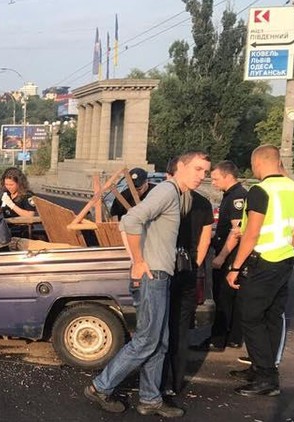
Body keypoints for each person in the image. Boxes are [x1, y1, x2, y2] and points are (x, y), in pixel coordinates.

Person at [84, 151, 209, 418]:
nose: (203, 176)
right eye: (198, 169)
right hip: (152, 277)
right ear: (181, 167)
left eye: (206, 171)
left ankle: (151, 399)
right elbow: (130, 220)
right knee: (146, 341)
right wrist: (138, 262)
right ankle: (100, 386)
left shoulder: (179, 195)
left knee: (159, 342)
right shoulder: (166, 191)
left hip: (161, 276)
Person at [225, 145, 294, 397]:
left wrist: (235, 267)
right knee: (271, 315)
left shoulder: (260, 191)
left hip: (263, 260)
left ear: (257, 163)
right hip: (286, 260)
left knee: (250, 315)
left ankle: (266, 378)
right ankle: (261, 368)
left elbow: (252, 233)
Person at [162, 158, 213, 396]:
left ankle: (157, 381)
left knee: (160, 327)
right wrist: (195, 264)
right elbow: (205, 240)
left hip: (164, 269)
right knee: (181, 329)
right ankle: (177, 382)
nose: (202, 175)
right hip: (188, 269)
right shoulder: (203, 203)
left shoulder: (165, 197)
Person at [193, 161, 246, 352]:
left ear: (228, 176)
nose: (212, 182)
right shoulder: (231, 195)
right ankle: (233, 338)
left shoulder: (237, 198)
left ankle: (218, 339)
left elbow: (237, 231)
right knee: (230, 299)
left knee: (223, 298)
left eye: (215, 178)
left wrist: (221, 257)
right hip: (228, 252)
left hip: (230, 255)